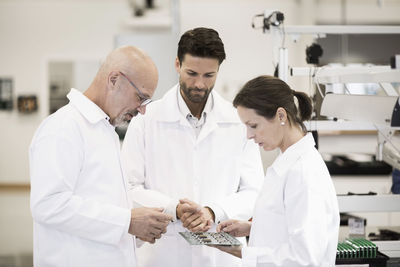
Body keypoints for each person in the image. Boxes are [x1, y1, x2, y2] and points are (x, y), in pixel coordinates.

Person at [121, 27, 264, 267]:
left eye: (209, 75)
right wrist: (174, 209)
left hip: (222, 257)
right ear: (177, 64)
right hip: (162, 255)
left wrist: (212, 211)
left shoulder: (236, 120)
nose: (199, 84)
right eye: (192, 73)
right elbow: (127, 187)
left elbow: (254, 191)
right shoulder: (146, 120)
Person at [29, 46, 172, 267]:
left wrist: (142, 223)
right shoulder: (64, 127)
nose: (142, 110)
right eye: (140, 97)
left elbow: (101, 201)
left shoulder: (104, 130)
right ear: (114, 79)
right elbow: (49, 204)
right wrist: (127, 221)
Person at [212, 75, 340, 266]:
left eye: (253, 125)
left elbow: (304, 259)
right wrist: (252, 228)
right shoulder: (288, 163)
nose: (249, 135)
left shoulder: (303, 172)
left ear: (281, 116)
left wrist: (242, 252)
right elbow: (290, 225)